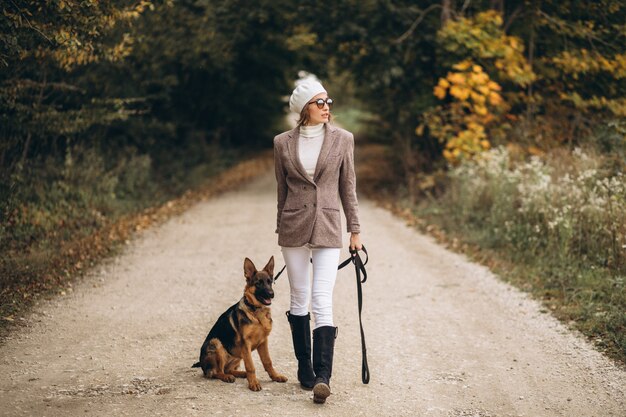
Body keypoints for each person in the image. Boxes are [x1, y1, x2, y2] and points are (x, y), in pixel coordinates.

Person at [273, 78, 362, 404]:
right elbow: (282, 190)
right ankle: (305, 369)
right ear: (303, 108)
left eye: (328, 102)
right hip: (294, 227)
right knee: (299, 297)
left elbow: (347, 188)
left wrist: (355, 230)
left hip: (327, 226)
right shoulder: (282, 143)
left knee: (322, 297)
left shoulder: (343, 140)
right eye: (319, 102)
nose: (326, 107)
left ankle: (323, 376)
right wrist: (280, 226)